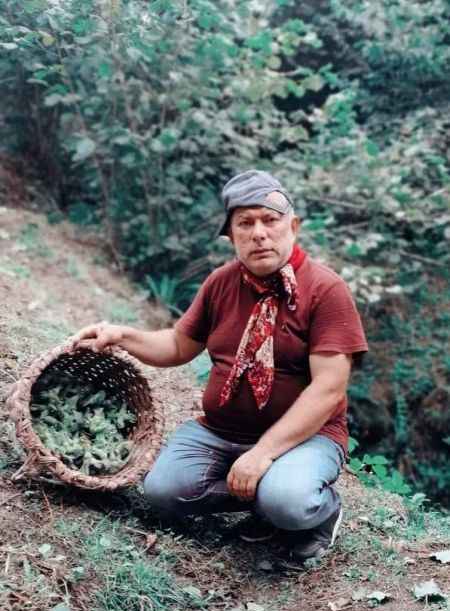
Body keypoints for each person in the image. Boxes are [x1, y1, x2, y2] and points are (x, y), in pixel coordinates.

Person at [73, 170, 368, 558]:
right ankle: (262, 500)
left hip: (306, 438)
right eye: (245, 223)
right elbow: (178, 345)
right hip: (220, 431)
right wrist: (120, 336)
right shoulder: (221, 283)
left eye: (270, 220)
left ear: (293, 226)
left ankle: (311, 509)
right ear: (231, 237)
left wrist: (263, 454)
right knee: (162, 491)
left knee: (289, 501)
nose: (259, 233)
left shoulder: (325, 290)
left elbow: (328, 389)